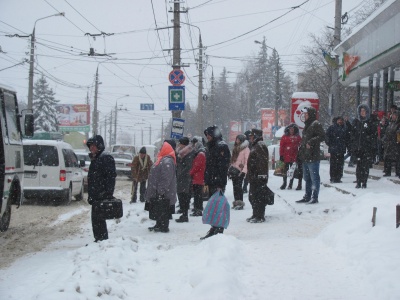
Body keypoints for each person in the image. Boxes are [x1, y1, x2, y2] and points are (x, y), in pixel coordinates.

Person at [201, 125, 231, 239]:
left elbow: (223, 167)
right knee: (213, 205)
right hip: (212, 180)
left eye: (209, 134)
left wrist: (220, 183)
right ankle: (214, 227)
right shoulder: (212, 146)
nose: (207, 137)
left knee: (217, 206)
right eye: (206, 135)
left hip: (217, 181)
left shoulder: (221, 146)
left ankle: (218, 230)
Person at [86, 135, 117, 242]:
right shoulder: (96, 159)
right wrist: (91, 195)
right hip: (95, 195)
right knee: (95, 219)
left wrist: (107, 193)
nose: (91, 148)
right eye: (90, 146)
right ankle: (99, 239)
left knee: (99, 219)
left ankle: (102, 240)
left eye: (93, 146)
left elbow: (110, 177)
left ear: (99, 146)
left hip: (101, 195)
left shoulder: (105, 158)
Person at [145, 141, 177, 233]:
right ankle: (159, 224)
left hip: (164, 192)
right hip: (159, 190)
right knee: (160, 208)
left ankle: (163, 226)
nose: (160, 149)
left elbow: (166, 178)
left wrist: (161, 190)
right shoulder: (163, 159)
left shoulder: (167, 161)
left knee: (163, 208)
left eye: (162, 148)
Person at [296, 107, 325, 204]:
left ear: (311, 115)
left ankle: (314, 197)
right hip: (305, 156)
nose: (304, 116)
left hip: (313, 156)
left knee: (314, 177)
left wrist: (311, 142)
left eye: (306, 114)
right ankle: (307, 195)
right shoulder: (307, 125)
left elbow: (322, 136)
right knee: (307, 178)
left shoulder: (316, 124)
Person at [350, 104, 377, 189]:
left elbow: (373, 135)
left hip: (367, 148)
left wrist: (370, 142)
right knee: (359, 166)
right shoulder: (356, 121)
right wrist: (353, 144)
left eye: (364, 111)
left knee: (365, 166)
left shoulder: (370, 122)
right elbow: (352, 134)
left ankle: (364, 182)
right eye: (361, 111)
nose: (362, 113)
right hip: (358, 148)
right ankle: (358, 181)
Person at [246, 128, 269, 223]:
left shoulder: (260, 145)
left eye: (251, 136)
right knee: (253, 196)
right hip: (254, 176)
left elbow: (262, 162)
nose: (250, 138)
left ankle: (260, 215)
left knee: (259, 196)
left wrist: (261, 175)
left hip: (258, 176)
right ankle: (255, 214)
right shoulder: (256, 145)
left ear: (255, 136)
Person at [175, 137, 195, 223]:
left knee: (184, 197)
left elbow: (188, 167)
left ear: (184, 144)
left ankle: (185, 215)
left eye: (180, 143)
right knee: (181, 196)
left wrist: (180, 174)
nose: (179, 145)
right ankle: (183, 213)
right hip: (181, 178)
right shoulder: (181, 153)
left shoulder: (189, 153)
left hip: (185, 179)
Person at [325, 116, 349, 183]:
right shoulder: (332, 128)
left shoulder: (344, 128)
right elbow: (327, 136)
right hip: (334, 149)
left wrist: (346, 145)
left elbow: (347, 138)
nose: (340, 122)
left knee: (340, 164)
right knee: (333, 164)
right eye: (339, 120)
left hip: (341, 149)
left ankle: (338, 177)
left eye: (341, 120)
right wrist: (330, 143)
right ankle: (333, 177)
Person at [229, 134, 250, 210]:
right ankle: (236, 202)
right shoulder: (235, 148)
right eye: (236, 139)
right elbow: (233, 160)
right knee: (235, 187)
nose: (236, 140)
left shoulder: (246, 149)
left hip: (240, 171)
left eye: (238, 139)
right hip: (234, 170)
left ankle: (240, 203)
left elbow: (247, 161)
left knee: (239, 187)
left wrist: (244, 171)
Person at [279, 123, 302, 190]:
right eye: (290, 129)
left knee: (292, 171)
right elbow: (281, 146)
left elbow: (301, 144)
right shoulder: (284, 137)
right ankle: (284, 183)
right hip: (285, 156)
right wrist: (281, 155)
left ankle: (290, 184)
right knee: (284, 171)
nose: (291, 131)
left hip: (294, 157)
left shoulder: (297, 137)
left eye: (293, 129)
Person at [189, 136, 206, 217]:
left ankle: (198, 209)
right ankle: (198, 208)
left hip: (198, 177)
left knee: (197, 195)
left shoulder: (200, 154)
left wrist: (191, 172)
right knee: (197, 194)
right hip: (198, 177)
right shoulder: (201, 154)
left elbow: (197, 166)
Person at [382, 111, 400, 177]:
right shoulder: (390, 124)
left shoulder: (398, 124)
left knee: (397, 159)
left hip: (396, 144)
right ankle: (387, 172)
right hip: (389, 144)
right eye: (393, 115)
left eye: (395, 115)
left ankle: (398, 172)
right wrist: (383, 140)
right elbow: (386, 133)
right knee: (387, 158)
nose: (393, 116)